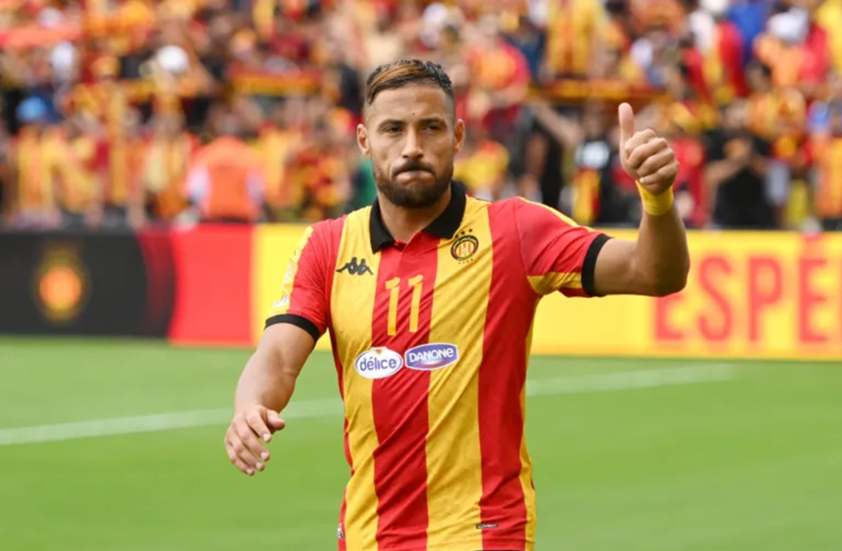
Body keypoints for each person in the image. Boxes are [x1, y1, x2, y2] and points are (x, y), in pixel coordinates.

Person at [224, 59, 690, 551]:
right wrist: (249, 408)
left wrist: (657, 199)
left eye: (430, 128)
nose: (412, 146)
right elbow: (277, 357)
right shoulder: (327, 247)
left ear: (458, 136)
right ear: (364, 141)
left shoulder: (516, 231)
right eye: (393, 129)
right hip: (368, 536)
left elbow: (654, 273)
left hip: (484, 534)